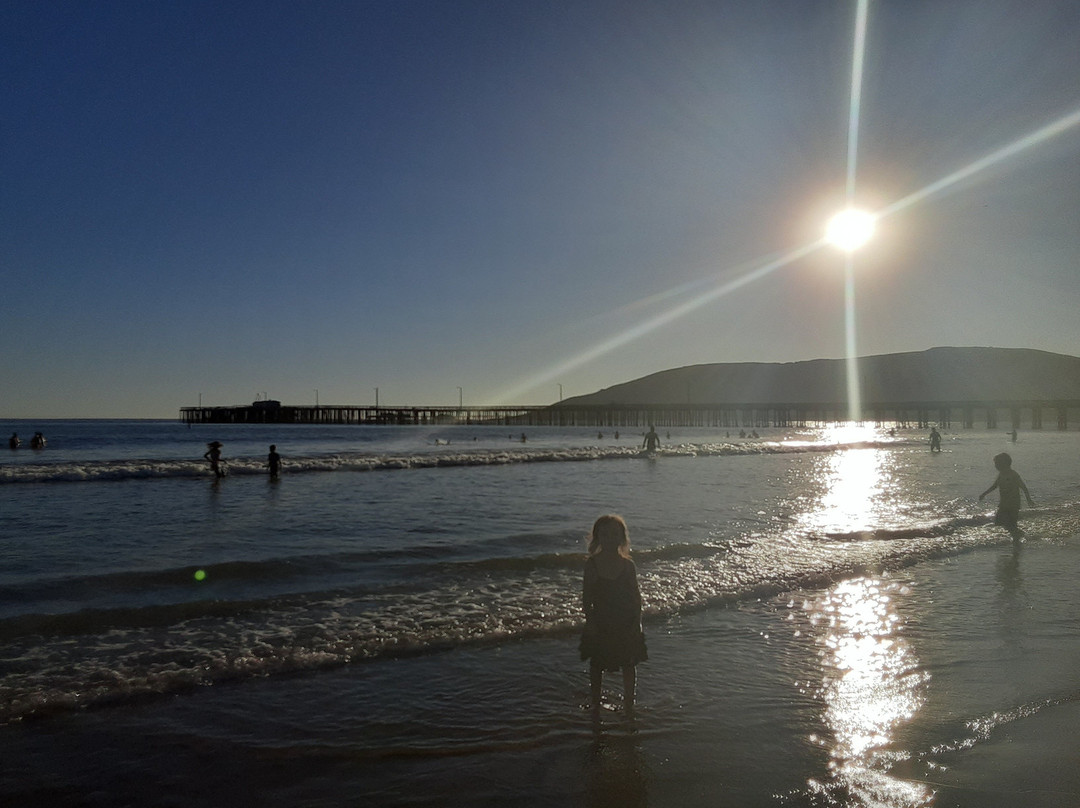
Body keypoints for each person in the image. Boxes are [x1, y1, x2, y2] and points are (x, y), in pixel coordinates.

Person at [579, 514, 647, 717]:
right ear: (597, 537)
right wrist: (590, 621)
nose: (610, 538)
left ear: (622, 538)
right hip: (601, 621)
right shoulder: (592, 564)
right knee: (597, 663)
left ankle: (629, 702)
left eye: (614, 534)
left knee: (628, 662)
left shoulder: (628, 565)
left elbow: (636, 597)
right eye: (605, 534)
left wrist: (638, 621)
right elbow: (586, 598)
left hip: (625, 621)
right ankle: (595, 701)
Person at [979, 452, 1035, 540]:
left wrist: (1029, 500)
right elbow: (994, 486)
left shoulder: (1013, 475)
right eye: (995, 464)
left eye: (997, 463)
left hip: (1013, 505)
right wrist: (984, 494)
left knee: (1012, 525)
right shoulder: (1001, 475)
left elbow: (1024, 487)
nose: (996, 466)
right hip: (1003, 504)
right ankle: (1017, 537)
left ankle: (1019, 542)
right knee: (999, 523)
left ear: (1004, 463)